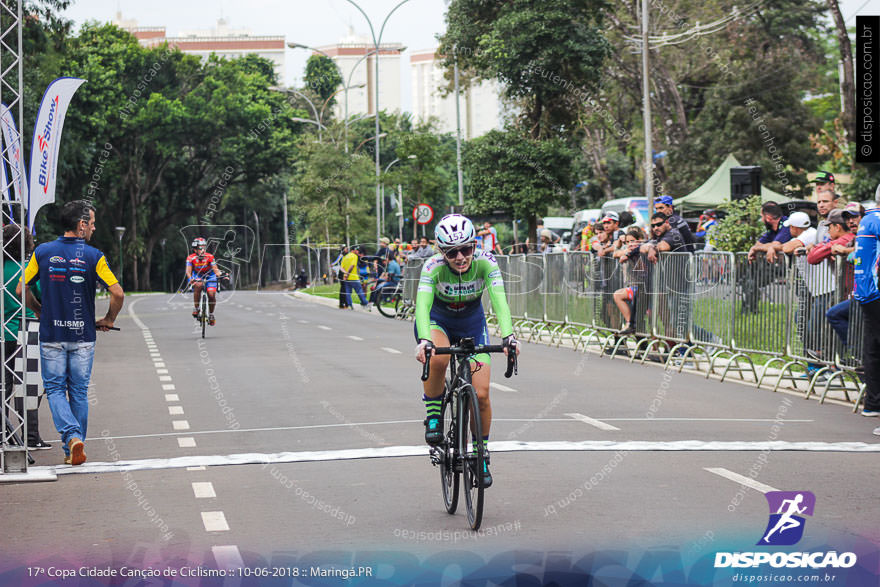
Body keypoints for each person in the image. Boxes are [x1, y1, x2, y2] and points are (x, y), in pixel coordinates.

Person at [414, 214, 519, 487]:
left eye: (466, 249)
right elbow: (423, 306)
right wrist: (424, 340)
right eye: (452, 252)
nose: (460, 257)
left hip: (472, 323)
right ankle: (435, 413)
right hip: (439, 320)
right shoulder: (432, 266)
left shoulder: (487, 262)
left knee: (482, 394)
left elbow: (500, 302)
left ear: (475, 245)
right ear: (440, 251)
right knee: (439, 356)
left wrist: (508, 336)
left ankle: (481, 452)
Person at [18, 199, 124, 465]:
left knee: (54, 390)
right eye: (92, 224)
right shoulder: (94, 256)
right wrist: (109, 319)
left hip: (52, 334)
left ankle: (71, 438)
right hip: (83, 336)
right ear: (80, 226)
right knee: (78, 391)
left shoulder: (42, 252)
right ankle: (74, 446)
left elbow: (22, 289)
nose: (94, 229)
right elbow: (117, 293)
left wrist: (39, 310)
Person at [2, 224, 47, 450]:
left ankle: (5, 435)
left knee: (4, 387)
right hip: (25, 332)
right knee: (28, 385)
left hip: (2, 334)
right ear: (26, 244)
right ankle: (30, 437)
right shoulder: (28, 269)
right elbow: (39, 295)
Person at [852, 187, 880, 424]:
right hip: (876, 290)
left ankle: (873, 403)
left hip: (866, 292)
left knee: (873, 350)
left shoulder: (869, 218)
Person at [612, 226, 648, 334]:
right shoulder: (628, 250)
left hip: (642, 288)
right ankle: (632, 325)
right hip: (632, 286)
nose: (630, 244)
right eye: (627, 241)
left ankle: (630, 324)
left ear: (640, 239)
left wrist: (629, 253)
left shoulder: (642, 250)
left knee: (618, 295)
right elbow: (615, 253)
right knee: (641, 319)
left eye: (632, 241)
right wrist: (626, 252)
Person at [186, 237, 223, 326]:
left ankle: (211, 315)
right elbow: (188, 271)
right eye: (200, 248)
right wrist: (190, 278)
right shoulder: (190, 258)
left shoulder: (210, 256)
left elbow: (215, 269)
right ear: (195, 249)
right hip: (197, 275)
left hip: (210, 275)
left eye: (204, 247)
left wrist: (219, 274)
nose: (203, 250)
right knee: (198, 286)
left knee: (211, 294)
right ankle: (196, 308)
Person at [340, 245, 369, 310]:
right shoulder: (354, 256)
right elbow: (352, 266)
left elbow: (341, 268)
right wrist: (348, 273)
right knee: (359, 291)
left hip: (346, 279)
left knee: (348, 292)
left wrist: (345, 273)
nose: (357, 251)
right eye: (356, 250)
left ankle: (350, 305)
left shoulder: (345, 257)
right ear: (353, 250)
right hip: (354, 278)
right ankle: (365, 303)